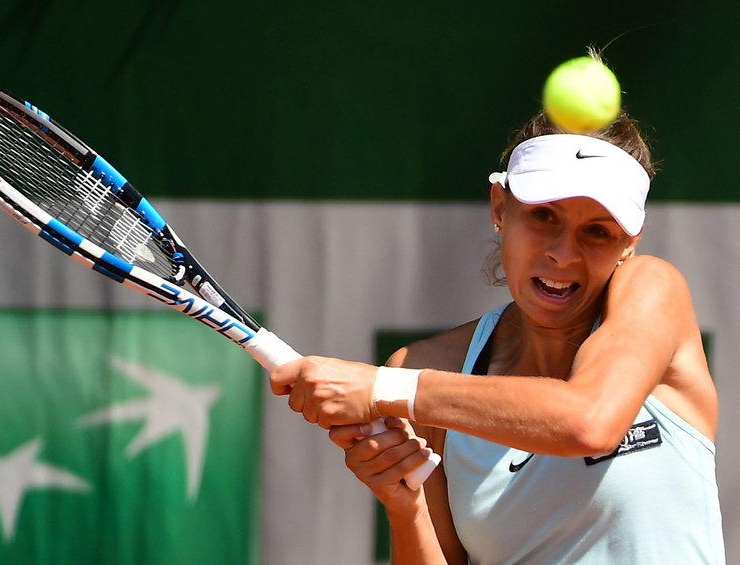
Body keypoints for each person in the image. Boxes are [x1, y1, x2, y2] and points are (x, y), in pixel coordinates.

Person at [270, 105, 725, 563]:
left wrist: (382, 389)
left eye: (598, 232)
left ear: (631, 242)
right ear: (501, 208)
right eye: (545, 216)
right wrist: (405, 506)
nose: (564, 254)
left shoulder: (654, 289)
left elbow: (588, 423)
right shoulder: (429, 367)